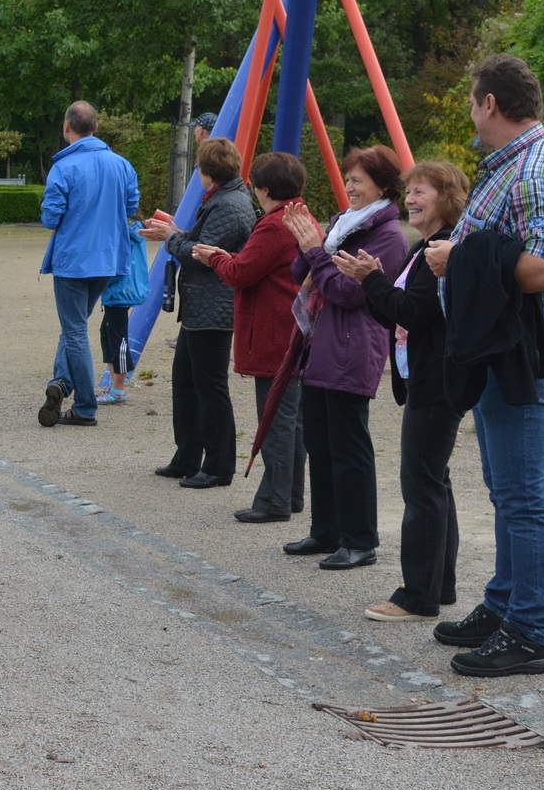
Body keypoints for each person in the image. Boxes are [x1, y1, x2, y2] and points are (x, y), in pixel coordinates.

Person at [423, 55, 544, 676]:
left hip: (526, 354)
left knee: (522, 498)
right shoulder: (511, 165)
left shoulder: (537, 169)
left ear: (490, 103)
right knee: (506, 491)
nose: (469, 110)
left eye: (471, 101)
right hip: (502, 349)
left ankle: (531, 633)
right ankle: (504, 604)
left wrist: (456, 260)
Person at [334, 161, 469, 621]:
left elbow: (416, 312)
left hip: (436, 381)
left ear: (446, 197)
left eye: (421, 192)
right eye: (409, 191)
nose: (410, 199)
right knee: (434, 482)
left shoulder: (442, 249)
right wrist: (371, 281)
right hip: (426, 379)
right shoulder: (425, 247)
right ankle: (439, 585)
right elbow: (397, 313)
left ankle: (417, 596)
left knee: (422, 485)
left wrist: (370, 280)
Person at [278, 146, 409, 570]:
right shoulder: (341, 223)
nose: (349, 185)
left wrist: (316, 252)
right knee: (319, 439)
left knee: (350, 445)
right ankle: (326, 531)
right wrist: (306, 246)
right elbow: (304, 274)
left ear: (383, 186)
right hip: (320, 342)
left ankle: (360, 539)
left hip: (353, 345)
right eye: (348, 177)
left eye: (359, 179)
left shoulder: (388, 236)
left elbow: (348, 292)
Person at [190, 151, 307, 522]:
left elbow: (242, 272)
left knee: (274, 418)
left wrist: (215, 259)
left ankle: (274, 499)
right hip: (290, 327)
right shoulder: (299, 214)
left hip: (274, 330)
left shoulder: (274, 224)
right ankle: (290, 494)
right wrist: (229, 257)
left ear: (263, 188)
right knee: (291, 418)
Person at [141, 138, 255, 487]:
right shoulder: (225, 199)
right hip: (203, 306)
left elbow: (204, 253)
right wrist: (175, 234)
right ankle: (187, 456)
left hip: (214, 307)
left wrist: (172, 237)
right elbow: (202, 242)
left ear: (207, 172)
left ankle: (219, 465)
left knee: (210, 387)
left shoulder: (229, 205)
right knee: (186, 382)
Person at [36, 101, 139, 427]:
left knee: (75, 330)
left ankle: (84, 407)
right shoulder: (122, 165)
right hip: (108, 261)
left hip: (73, 262)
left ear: (67, 127)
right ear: (95, 127)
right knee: (76, 324)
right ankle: (62, 383)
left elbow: (51, 217)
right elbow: (131, 206)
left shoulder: (63, 168)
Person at [95, 211, 149, 405]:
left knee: (118, 339)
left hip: (120, 290)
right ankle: (113, 383)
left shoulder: (127, 230)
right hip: (116, 291)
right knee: (107, 334)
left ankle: (119, 388)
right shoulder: (127, 228)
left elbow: (119, 261)